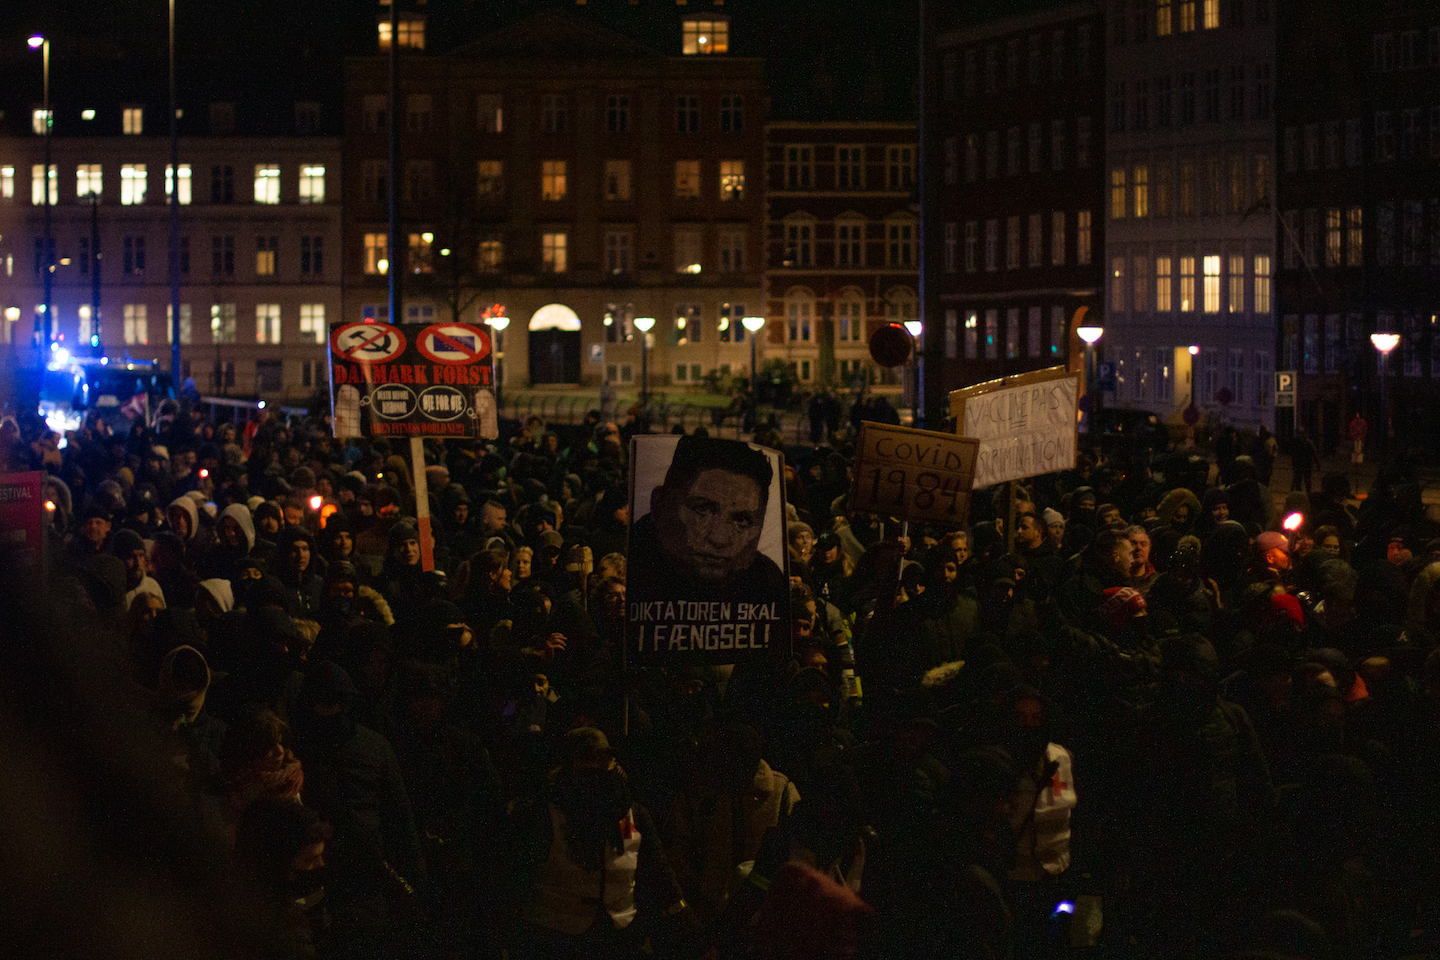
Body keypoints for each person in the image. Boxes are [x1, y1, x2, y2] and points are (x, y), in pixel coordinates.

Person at [627, 437, 787, 605]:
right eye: (702, 510)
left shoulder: (767, 581)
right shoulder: (624, 566)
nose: (719, 539)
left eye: (742, 520)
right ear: (659, 503)